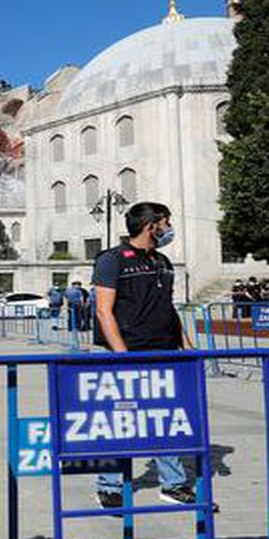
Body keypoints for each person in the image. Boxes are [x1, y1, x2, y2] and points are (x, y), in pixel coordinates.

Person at [92, 202, 200, 509]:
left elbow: (167, 308)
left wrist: (187, 345)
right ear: (151, 225)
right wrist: (121, 356)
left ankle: (173, 484)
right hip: (128, 353)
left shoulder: (163, 262)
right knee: (120, 421)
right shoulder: (112, 260)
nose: (169, 228)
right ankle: (109, 485)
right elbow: (103, 310)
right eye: (166, 221)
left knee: (165, 418)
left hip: (163, 351)